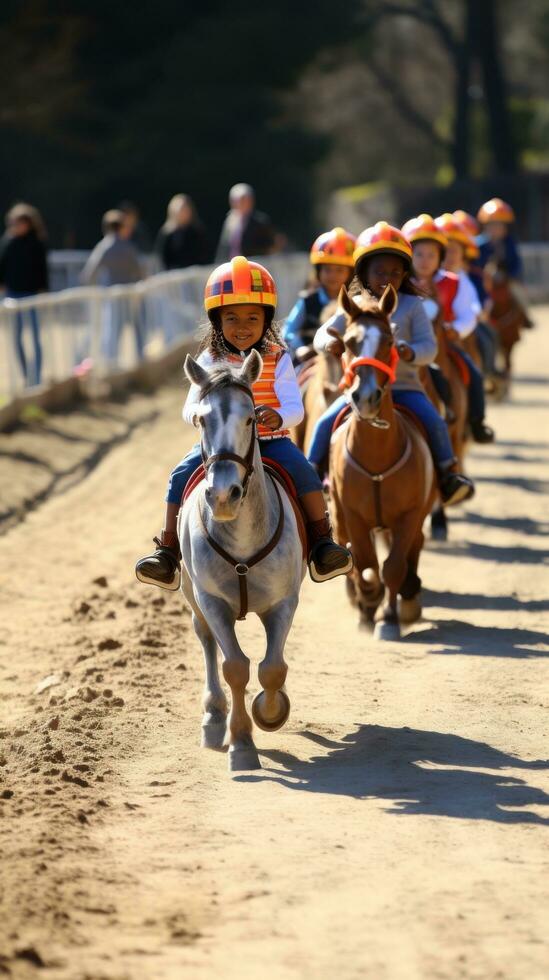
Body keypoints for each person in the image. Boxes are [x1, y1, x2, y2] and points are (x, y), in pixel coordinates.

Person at [135, 256, 353, 591]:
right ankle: (166, 551)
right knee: (180, 474)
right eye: (231, 317)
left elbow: (295, 407)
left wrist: (279, 416)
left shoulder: (278, 357)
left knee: (305, 471)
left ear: (266, 320)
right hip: (221, 445)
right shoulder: (209, 359)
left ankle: (323, 544)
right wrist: (196, 415)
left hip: (272, 440)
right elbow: (190, 404)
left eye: (253, 317)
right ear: (216, 320)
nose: (242, 326)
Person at [307, 221, 474, 507]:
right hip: (361, 387)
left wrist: (411, 352)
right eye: (380, 271)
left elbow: (429, 347)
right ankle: (311, 476)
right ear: (363, 271)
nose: (388, 278)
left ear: (405, 274)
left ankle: (448, 475)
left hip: (405, 386)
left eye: (395, 272)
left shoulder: (412, 306)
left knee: (434, 421)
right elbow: (323, 333)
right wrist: (329, 344)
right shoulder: (353, 304)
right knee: (325, 422)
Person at [283, 227, 356, 364]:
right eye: (327, 270)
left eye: (339, 270)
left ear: (350, 274)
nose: (333, 275)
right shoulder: (307, 301)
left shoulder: (356, 303)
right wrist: (300, 348)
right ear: (318, 271)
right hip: (310, 360)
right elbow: (288, 331)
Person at [438, 212, 498, 379]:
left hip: (456, 330)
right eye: (444, 251)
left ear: (462, 255)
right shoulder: (427, 278)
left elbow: (472, 303)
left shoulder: (464, 279)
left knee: (486, 339)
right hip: (430, 334)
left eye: (453, 251)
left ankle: (484, 374)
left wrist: (461, 325)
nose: (449, 257)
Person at [81, 210, 144, 363]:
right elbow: (140, 272)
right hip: (130, 295)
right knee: (138, 330)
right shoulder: (129, 247)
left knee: (112, 333)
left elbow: (88, 275)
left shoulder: (104, 247)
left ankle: (112, 364)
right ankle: (140, 360)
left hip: (112, 297)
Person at [0, 203, 48, 387]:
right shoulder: (8, 242)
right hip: (12, 295)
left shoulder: (37, 243)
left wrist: (43, 290)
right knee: (16, 337)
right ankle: (26, 376)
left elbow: (43, 271)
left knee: (35, 337)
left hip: (32, 294)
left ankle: (36, 377)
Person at [215, 184, 276, 262]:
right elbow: (224, 247)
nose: (241, 203)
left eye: (244, 200)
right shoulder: (229, 221)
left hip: (253, 265)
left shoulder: (261, 221)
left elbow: (268, 248)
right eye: (237, 200)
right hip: (232, 266)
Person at [160, 194, 209, 270]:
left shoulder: (197, 231)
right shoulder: (167, 233)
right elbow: (162, 259)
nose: (183, 213)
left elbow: (204, 255)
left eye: (185, 210)